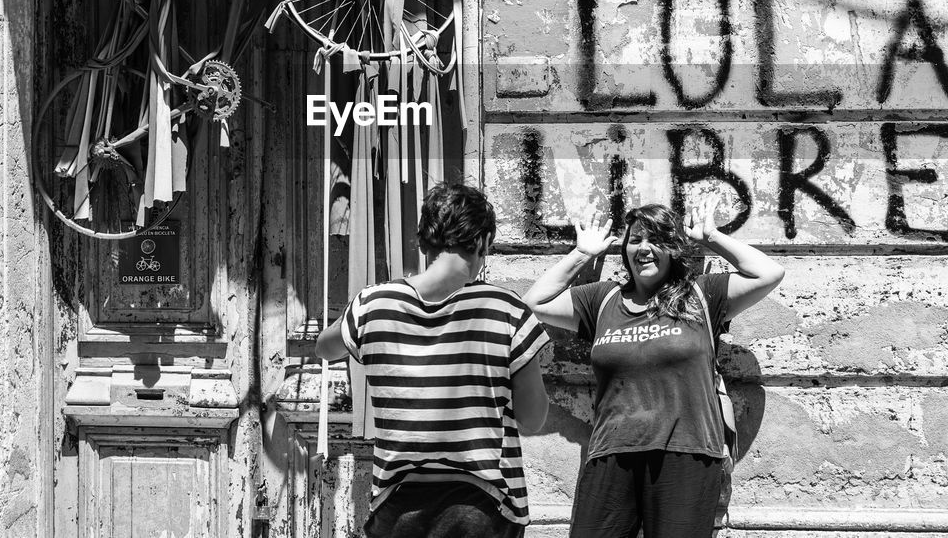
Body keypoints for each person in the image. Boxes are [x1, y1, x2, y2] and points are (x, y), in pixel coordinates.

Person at [522, 195, 785, 538]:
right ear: (625, 250)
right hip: (610, 452)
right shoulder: (601, 299)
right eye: (635, 240)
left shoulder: (703, 294)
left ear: (674, 248)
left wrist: (711, 238)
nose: (644, 248)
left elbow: (770, 272)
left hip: (687, 452)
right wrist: (582, 254)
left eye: (657, 239)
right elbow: (533, 302)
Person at [317, 182, 551, 538]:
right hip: (484, 505)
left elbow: (324, 347)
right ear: (482, 242)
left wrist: (367, 300)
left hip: (398, 505)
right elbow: (533, 420)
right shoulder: (506, 309)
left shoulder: (374, 304)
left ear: (424, 241)